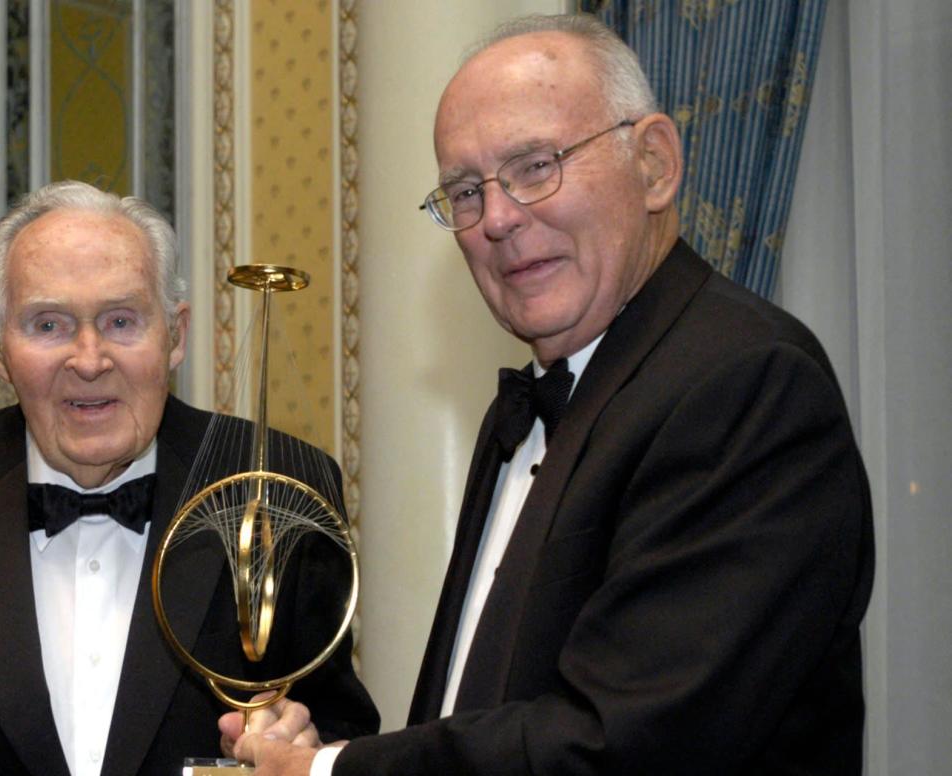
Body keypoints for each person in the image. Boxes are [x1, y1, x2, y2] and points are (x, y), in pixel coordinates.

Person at [229, 12, 873, 776]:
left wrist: (328, 773)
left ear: (655, 165)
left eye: (537, 165)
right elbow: (492, 709)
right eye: (464, 191)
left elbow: (627, 745)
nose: (498, 218)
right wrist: (330, 753)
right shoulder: (537, 403)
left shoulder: (748, 384)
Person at [0, 180, 378, 776]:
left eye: (120, 321)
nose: (89, 361)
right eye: (49, 325)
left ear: (177, 335)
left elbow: (343, 734)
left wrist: (306, 748)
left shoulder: (279, 485)